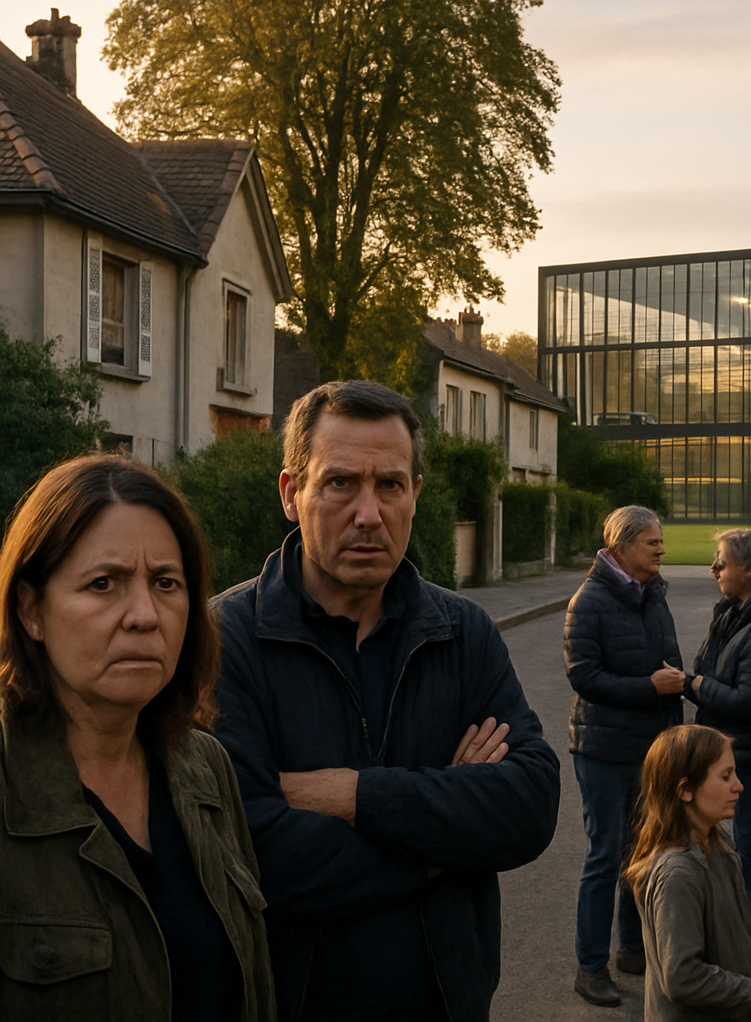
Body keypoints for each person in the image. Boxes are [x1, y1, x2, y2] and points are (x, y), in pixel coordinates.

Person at [213, 381, 560, 1022]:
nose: (369, 513)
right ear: (292, 494)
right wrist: (439, 845)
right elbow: (250, 854)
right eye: (341, 483)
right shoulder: (223, 640)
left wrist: (350, 795)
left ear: (415, 495)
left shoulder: (463, 632)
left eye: (391, 486)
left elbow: (530, 805)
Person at [0, 455, 276, 1020]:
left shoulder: (205, 768)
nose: (145, 615)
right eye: (104, 584)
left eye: (166, 583)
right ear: (31, 610)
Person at [565, 504, 686, 1006]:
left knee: (644, 851)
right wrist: (648, 687)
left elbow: (669, 659)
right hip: (602, 748)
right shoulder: (588, 601)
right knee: (605, 855)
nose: (661, 549)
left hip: (651, 747)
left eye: (660, 541)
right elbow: (583, 676)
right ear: (620, 548)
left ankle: (632, 949)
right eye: (651, 542)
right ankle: (590, 967)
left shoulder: (653, 594)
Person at [685, 529, 751, 990]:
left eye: (722, 562)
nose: (714, 569)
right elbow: (711, 667)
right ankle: (731, 958)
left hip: (749, 757)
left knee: (749, 854)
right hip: (725, 752)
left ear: (748, 570)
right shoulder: (731, 615)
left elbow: (750, 700)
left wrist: (694, 686)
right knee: (726, 854)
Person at [624, 724, 751, 1022]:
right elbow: (683, 976)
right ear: (684, 790)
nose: (739, 785)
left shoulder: (719, 847)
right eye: (725, 776)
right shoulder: (678, 874)